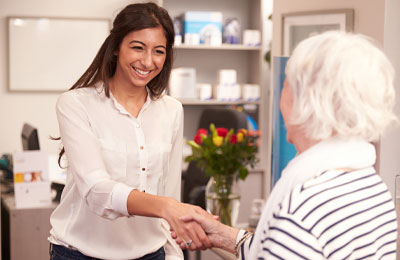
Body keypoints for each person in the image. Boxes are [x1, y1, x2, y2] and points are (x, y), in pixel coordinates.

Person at [173, 31, 398, 259]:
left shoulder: (301, 209)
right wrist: (221, 235)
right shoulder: (372, 187)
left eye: (286, 84)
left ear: (307, 101)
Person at [48, 3, 212, 260]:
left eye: (158, 51)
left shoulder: (172, 110)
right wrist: (166, 207)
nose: (148, 61)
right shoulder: (76, 104)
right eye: (137, 47)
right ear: (115, 47)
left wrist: (172, 254)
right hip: (79, 253)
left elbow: (169, 191)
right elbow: (96, 190)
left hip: (150, 253)